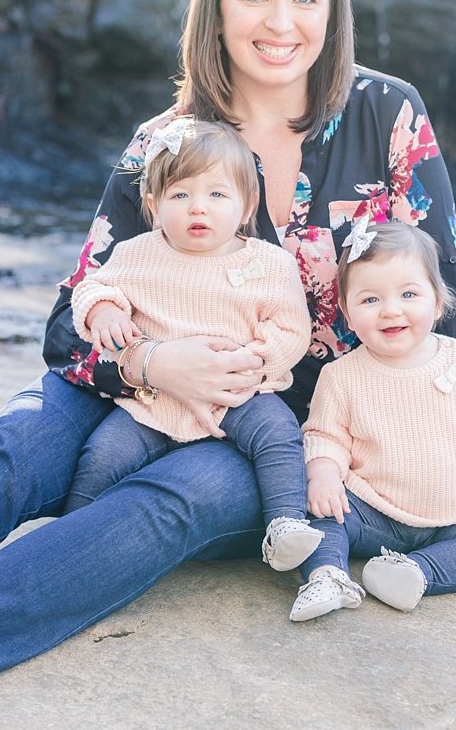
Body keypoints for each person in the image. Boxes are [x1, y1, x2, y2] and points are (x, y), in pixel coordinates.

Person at [0, 0, 456, 674]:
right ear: (218, 9)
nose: (281, 22)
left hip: (291, 432)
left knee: (174, 496)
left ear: (332, 10)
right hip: (136, 381)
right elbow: (68, 323)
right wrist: (151, 363)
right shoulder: (167, 142)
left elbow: (449, 302)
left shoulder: (387, 116)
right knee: (22, 445)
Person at [65, 117, 322, 573]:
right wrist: (104, 310)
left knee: (280, 436)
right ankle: (72, 530)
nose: (197, 209)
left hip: (238, 391)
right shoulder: (138, 253)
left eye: (217, 195)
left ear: (247, 206)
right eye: (180, 195)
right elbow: (90, 286)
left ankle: (285, 522)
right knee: (103, 453)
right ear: (152, 204)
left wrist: (255, 361)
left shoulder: (269, 263)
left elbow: (290, 328)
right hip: (155, 397)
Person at [290, 220, 456, 622]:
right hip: (372, 512)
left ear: (437, 302)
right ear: (347, 315)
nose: (391, 310)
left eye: (408, 294)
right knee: (316, 510)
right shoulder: (341, 375)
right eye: (370, 300)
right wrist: (325, 475)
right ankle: (327, 574)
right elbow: (325, 437)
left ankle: (416, 572)